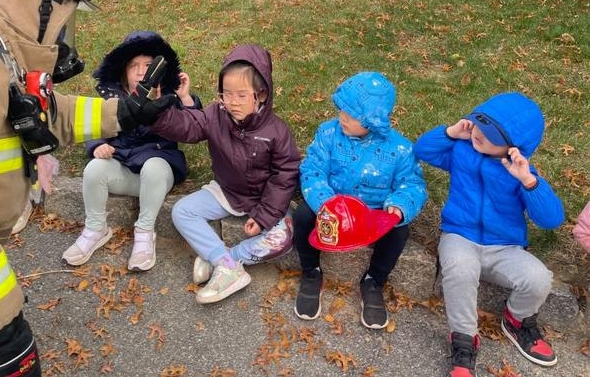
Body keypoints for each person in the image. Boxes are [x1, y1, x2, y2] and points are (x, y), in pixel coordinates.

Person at [0, 0, 173, 377]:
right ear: (44, 2)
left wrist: (124, 113)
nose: (63, 36)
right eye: (68, 15)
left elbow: (38, 114)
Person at [414, 93, 565, 377]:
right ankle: (464, 340)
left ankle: (518, 320)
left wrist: (529, 182)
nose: (479, 133)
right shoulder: (462, 150)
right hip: (459, 235)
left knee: (538, 277)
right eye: (479, 125)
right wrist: (451, 132)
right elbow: (423, 149)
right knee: (460, 270)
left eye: (491, 134)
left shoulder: (520, 171)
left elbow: (551, 220)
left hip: (505, 248)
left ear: (514, 146)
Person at [147, 44, 300, 304]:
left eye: (242, 95)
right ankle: (225, 265)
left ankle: (226, 259)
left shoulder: (277, 131)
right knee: (181, 211)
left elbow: (285, 176)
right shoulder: (216, 114)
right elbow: (189, 126)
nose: (233, 102)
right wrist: (158, 112)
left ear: (261, 95)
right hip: (227, 191)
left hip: (263, 199)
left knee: (283, 236)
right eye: (226, 94)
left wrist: (264, 217)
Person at [293, 72, 427, 328]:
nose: (342, 116)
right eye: (341, 109)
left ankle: (374, 281)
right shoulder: (329, 134)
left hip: (372, 213)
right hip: (331, 207)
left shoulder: (399, 149)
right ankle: (311, 271)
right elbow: (312, 169)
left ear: (373, 120)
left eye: (351, 114)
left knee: (399, 232)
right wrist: (326, 203)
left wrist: (399, 207)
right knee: (301, 216)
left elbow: (412, 184)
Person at [62, 31, 201, 271]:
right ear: (123, 74)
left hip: (158, 174)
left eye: (148, 66)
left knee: (154, 166)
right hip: (126, 172)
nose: (140, 71)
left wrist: (185, 98)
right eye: (134, 66)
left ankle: (145, 232)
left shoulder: (169, 98)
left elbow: (195, 127)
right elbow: (95, 127)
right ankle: (96, 228)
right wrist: (98, 145)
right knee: (95, 169)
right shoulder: (114, 102)